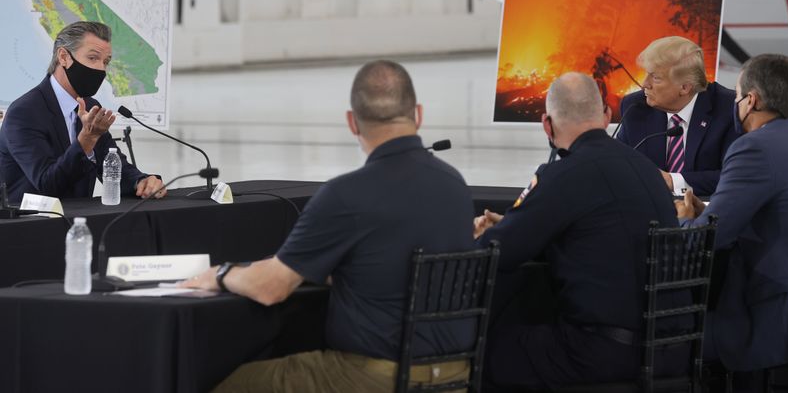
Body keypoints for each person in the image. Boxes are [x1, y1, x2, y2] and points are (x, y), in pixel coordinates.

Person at [181, 60, 475, 392]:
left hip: (374, 377)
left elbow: (271, 287)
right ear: (418, 114)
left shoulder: (346, 194)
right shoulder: (455, 185)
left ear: (352, 122)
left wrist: (219, 275)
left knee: (226, 385)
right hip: (454, 375)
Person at [474, 72, 682, 390]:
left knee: (483, 350)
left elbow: (500, 253)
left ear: (547, 125)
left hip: (601, 353)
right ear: (606, 116)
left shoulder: (564, 175)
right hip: (670, 348)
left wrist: (487, 234)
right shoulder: (646, 169)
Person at [677, 54, 788, 371]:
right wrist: (709, 209)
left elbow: (707, 240)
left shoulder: (754, 147)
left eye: (736, 97)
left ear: (752, 100)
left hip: (770, 317)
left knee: (661, 338)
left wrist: (685, 219)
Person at [0, 21, 164, 203]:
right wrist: (86, 140)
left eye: (106, 61)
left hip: (80, 221)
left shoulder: (90, 105)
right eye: (93, 58)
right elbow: (47, 184)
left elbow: (111, 165)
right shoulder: (24, 113)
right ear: (63, 57)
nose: (101, 69)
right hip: (30, 226)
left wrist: (141, 181)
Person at [617, 36, 738, 196]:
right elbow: (618, 166)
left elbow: (733, 177)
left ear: (685, 87)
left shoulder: (728, 109)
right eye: (647, 74)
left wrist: (671, 181)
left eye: (655, 78)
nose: (645, 84)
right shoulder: (635, 107)